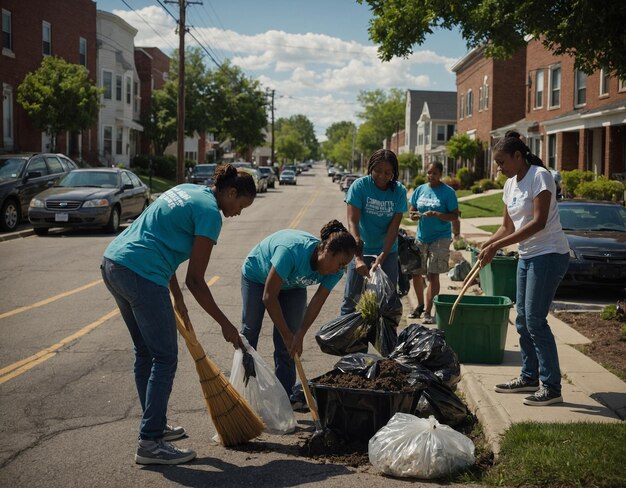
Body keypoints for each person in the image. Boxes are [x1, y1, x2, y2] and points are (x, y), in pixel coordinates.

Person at [101, 164, 256, 465]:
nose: (238, 212)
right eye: (240, 205)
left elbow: (162, 240)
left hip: (114, 263)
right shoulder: (211, 214)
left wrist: (176, 297)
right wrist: (226, 325)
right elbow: (196, 280)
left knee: (146, 353)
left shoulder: (187, 190)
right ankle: (150, 443)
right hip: (141, 274)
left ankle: (154, 426)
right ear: (231, 192)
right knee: (165, 357)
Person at [479, 130, 570, 407]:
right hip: (527, 255)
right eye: (497, 163)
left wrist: (498, 246)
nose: (499, 168)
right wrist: (488, 243)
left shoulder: (539, 176)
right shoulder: (510, 185)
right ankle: (529, 377)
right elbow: (507, 227)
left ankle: (551, 386)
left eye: (502, 162)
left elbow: (538, 223)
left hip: (550, 253)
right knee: (521, 319)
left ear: (518, 156)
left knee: (535, 320)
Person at [240, 220, 357, 398]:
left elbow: (317, 301)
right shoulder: (292, 251)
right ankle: (244, 390)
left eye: (345, 266)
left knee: (289, 347)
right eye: (340, 263)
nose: (340, 270)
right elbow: (269, 297)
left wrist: (299, 334)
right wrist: (287, 334)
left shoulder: (336, 271)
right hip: (257, 276)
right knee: (251, 331)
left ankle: (284, 398)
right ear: (327, 250)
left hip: (293, 285)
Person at [341, 149, 408, 315]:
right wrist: (357, 258)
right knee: (352, 300)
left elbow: (394, 228)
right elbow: (353, 222)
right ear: (370, 168)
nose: (382, 176)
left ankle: (385, 340)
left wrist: (382, 256)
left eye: (387, 172)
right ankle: (349, 340)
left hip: (387, 251)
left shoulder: (399, 191)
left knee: (387, 302)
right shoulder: (360, 186)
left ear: (394, 172)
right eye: (377, 171)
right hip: (359, 249)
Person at [408, 162, 459, 323]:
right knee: (416, 273)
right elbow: (412, 210)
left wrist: (437, 214)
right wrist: (414, 215)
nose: (431, 176)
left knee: (432, 274)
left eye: (435, 173)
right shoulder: (420, 189)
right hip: (421, 236)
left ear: (440, 174)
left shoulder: (448, 193)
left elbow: (454, 216)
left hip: (440, 237)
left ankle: (428, 312)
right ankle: (420, 306)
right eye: (429, 173)